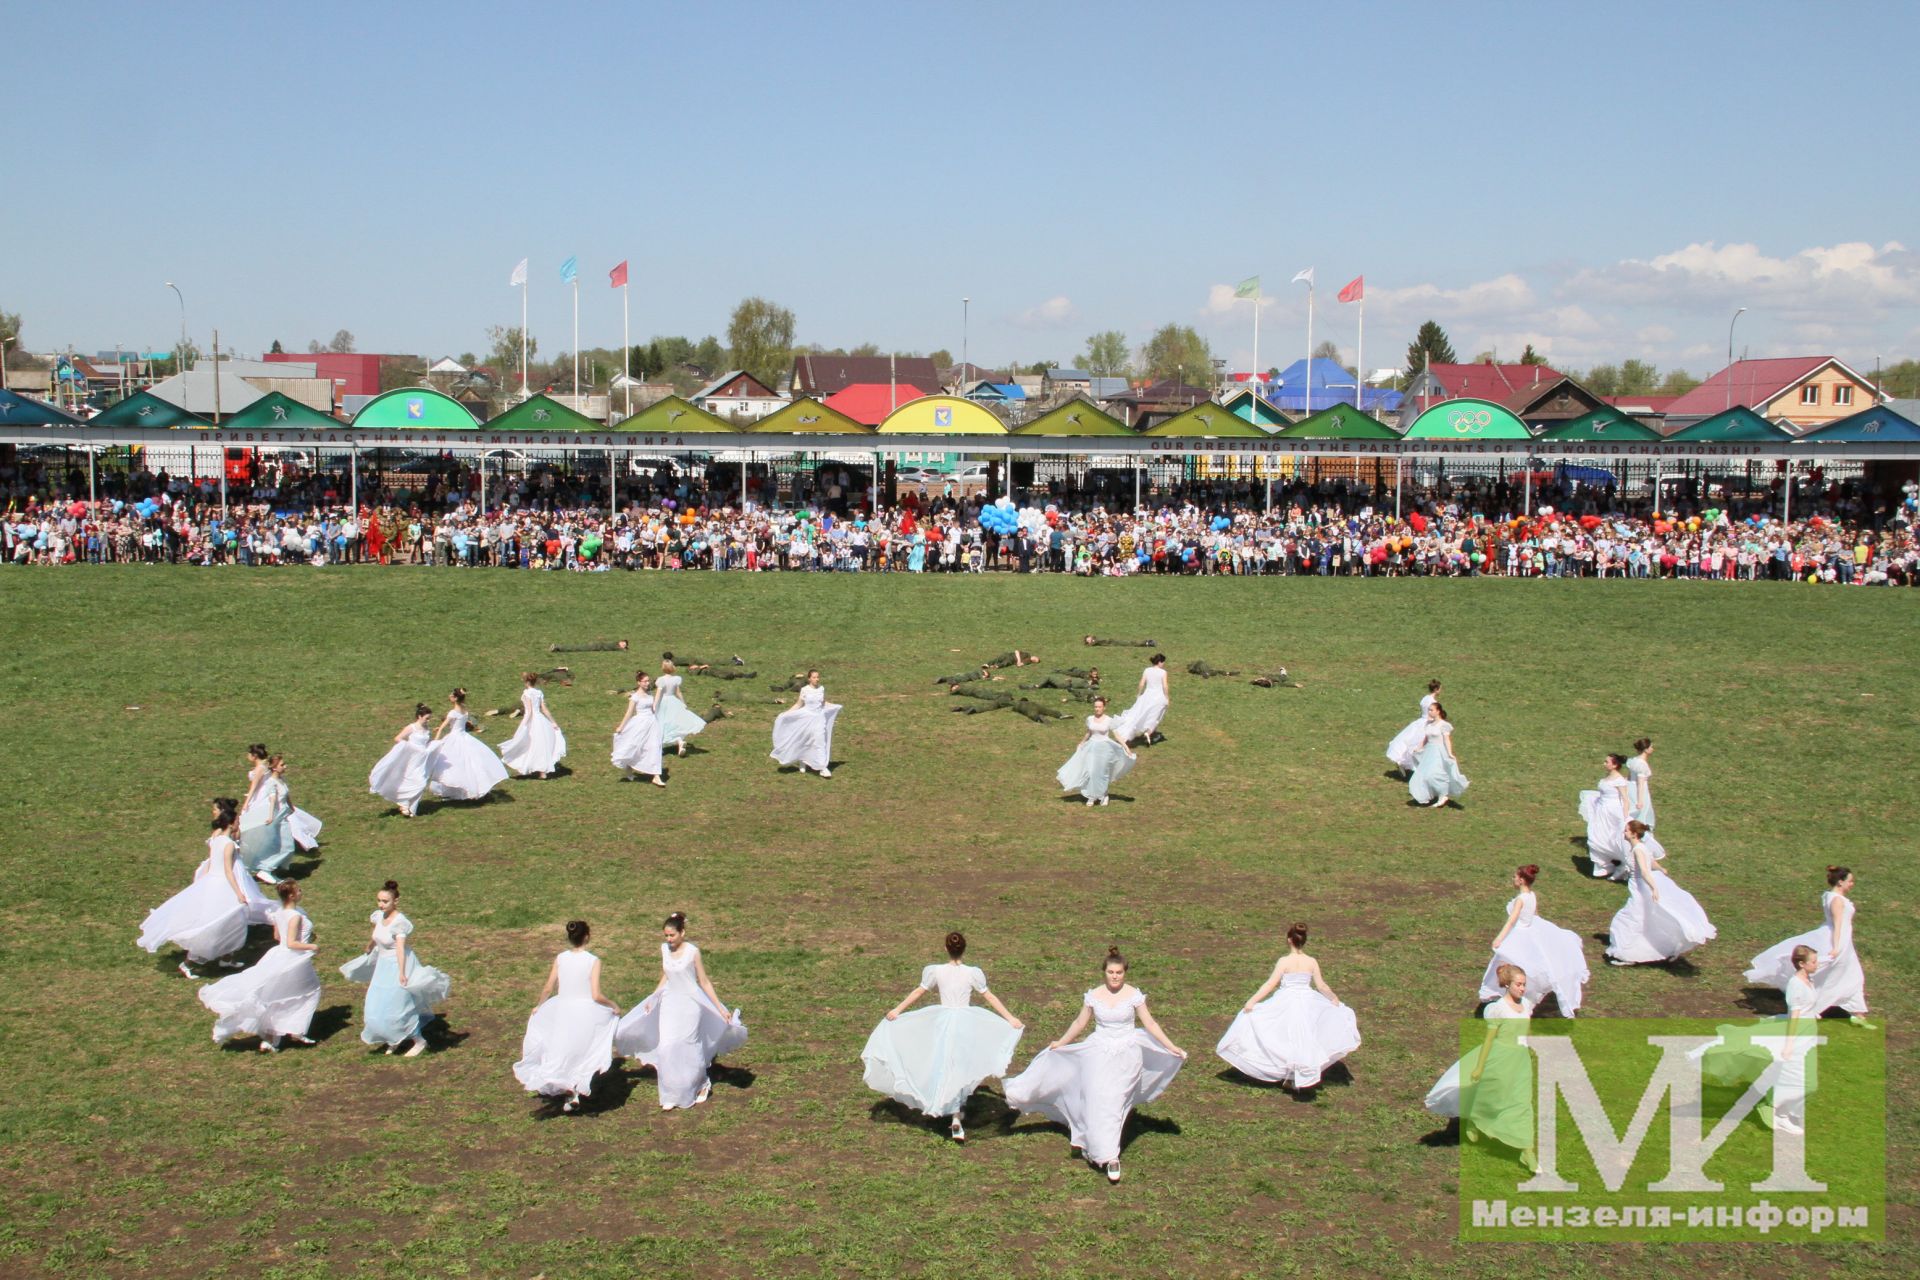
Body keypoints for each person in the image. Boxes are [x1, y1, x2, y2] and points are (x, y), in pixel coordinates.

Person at [1004, 946, 1186, 1184]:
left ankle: (1110, 1157)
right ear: (1104, 972)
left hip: (1127, 1056)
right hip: (1098, 1053)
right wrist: (1061, 1042)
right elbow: (1080, 1022)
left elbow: (1150, 1024)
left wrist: (1172, 1047)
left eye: (1119, 973)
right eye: (1111, 972)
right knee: (1097, 1099)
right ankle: (1097, 1144)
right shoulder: (1094, 995)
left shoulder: (1133, 995)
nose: (1115, 977)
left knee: (1114, 1102)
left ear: (1125, 973)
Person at [861, 931, 1025, 1141]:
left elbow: (918, 992)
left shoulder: (936, 971)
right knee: (959, 1066)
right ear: (964, 949)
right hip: (965, 1022)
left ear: (946, 949)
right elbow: (989, 996)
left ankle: (947, 1107)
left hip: (943, 1022)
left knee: (944, 1064)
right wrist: (1010, 1018)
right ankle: (956, 1116)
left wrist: (897, 1010)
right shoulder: (972, 973)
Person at [614, 912, 747, 1110]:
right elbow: (665, 976)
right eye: (666, 936)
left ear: (682, 933)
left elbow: (703, 981)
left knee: (688, 1045)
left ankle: (701, 1083)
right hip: (669, 1002)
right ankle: (670, 1094)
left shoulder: (693, 952)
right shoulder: (664, 950)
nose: (669, 940)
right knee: (667, 1046)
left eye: (672, 935)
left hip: (690, 1004)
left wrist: (719, 1007)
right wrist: (654, 997)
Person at [1694, 946, 1822, 1135]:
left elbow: (1805, 1007)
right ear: (1802, 964)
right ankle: (1774, 1107)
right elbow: (1794, 1016)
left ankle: (1780, 1111)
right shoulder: (1796, 984)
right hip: (1798, 1037)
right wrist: (1788, 1046)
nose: (1817, 965)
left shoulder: (1808, 979)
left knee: (1806, 1082)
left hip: (1808, 1034)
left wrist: (1813, 1014)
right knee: (1806, 1082)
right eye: (1813, 962)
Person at [1215, 923, 1361, 1090]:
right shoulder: (1311, 961)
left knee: (1286, 1035)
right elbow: (1321, 986)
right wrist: (1334, 999)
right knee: (1304, 1036)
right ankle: (1296, 1075)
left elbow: (1270, 983)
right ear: (1303, 941)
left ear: (1289, 940)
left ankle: (1288, 1073)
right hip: (1307, 1001)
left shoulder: (1284, 961)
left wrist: (1252, 1001)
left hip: (1286, 1001)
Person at [1423, 963, 1538, 1173]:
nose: (1522, 988)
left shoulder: (1528, 1005)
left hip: (1520, 1061)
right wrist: (1479, 1067)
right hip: (1500, 1058)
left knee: (1522, 1104)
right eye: (1519, 984)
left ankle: (1527, 1151)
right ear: (1507, 985)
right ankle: (1475, 1118)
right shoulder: (1498, 1009)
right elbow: (1489, 1041)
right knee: (1494, 1096)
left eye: (1524, 985)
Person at [138, 799, 272, 978]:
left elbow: (211, 864)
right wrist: (239, 893)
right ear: (231, 823)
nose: (238, 823)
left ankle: (227, 957)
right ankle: (189, 963)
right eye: (237, 821)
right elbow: (228, 871)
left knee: (230, 922)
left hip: (211, 882)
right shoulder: (229, 844)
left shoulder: (217, 839)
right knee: (218, 924)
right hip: (222, 886)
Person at [199, 880, 322, 1052]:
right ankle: (294, 1030)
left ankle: (274, 1039)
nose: (301, 892)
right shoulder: (295, 916)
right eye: (299, 890)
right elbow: (291, 943)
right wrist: (312, 946)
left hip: (279, 955)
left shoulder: (280, 913)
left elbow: (278, 937)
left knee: (279, 994)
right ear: (292, 895)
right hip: (294, 959)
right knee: (309, 991)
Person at [513, 920, 622, 1112]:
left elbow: (548, 987)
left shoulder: (561, 958)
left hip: (563, 1010)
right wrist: (613, 1005)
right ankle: (574, 1091)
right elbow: (596, 994)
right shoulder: (592, 961)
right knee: (582, 1051)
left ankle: (570, 1091)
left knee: (562, 1048)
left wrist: (539, 1006)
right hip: (584, 1012)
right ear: (587, 937)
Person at [1744, 866, 1874, 1026]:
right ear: (1840, 882)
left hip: (1843, 942)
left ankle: (1858, 1015)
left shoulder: (1830, 896)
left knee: (1852, 975)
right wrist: (1837, 947)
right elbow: (1838, 925)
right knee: (1844, 975)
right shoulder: (1837, 901)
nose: (1852, 884)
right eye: (1850, 881)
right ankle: (1816, 1008)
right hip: (1839, 941)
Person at [345, 880, 451, 1056]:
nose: (381, 904)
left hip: (398, 966)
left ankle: (418, 1040)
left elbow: (400, 949)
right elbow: (376, 934)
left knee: (398, 1007)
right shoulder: (379, 916)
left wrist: (402, 973)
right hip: (383, 967)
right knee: (377, 1005)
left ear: (396, 901)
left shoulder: (400, 923)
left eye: (385, 901)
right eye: (379, 900)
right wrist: (370, 945)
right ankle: (393, 1038)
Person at [1478, 866, 1588, 1017]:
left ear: (1521, 880)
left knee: (1508, 962)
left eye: (1515, 877)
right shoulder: (1532, 895)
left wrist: (1499, 938)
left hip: (1520, 935)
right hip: (1530, 930)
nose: (1513, 879)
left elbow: (1511, 921)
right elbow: (1535, 915)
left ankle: (1509, 994)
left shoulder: (1520, 900)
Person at [1606, 821, 1716, 965]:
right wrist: (1662, 869)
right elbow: (1651, 862)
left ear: (1634, 834)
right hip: (1639, 886)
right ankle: (1633, 948)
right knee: (1640, 917)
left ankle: (1627, 952)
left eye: (1626, 831)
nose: (1624, 833)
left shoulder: (1638, 850)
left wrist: (1654, 887)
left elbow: (1645, 871)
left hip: (1640, 888)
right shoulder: (1641, 848)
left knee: (1628, 918)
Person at [426, 688, 510, 802]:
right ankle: (460, 789)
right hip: (463, 736)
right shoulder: (464, 711)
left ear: (455, 698)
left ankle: (454, 790)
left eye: (451, 696)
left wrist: (436, 740)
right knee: (466, 763)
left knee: (450, 764)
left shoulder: (452, 713)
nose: (449, 697)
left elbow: (443, 727)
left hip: (454, 738)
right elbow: (458, 724)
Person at [1056, 695, 1137, 806]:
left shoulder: (1109, 720)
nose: (1097, 709)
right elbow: (1089, 733)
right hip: (1092, 747)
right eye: (1095, 707)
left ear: (1104, 707)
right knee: (1091, 771)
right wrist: (1082, 742)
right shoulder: (1090, 719)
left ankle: (1103, 795)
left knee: (1102, 773)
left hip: (1104, 749)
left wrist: (1126, 747)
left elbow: (1117, 736)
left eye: (1099, 707)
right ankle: (1091, 796)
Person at [368, 704, 434, 818]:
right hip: (411, 758)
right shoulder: (412, 727)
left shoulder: (427, 728)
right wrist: (411, 747)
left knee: (421, 783)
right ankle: (404, 804)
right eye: (426, 718)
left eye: (429, 718)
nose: (428, 720)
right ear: (419, 716)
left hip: (421, 760)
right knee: (411, 781)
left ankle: (411, 807)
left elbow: (427, 742)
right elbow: (397, 738)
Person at [770, 669, 840, 777]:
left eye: (818, 677)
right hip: (806, 718)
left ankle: (822, 767)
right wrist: (786, 713)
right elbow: (798, 704)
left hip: (819, 719)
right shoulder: (804, 690)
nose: (817, 679)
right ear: (809, 679)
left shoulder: (821, 689)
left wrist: (835, 706)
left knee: (820, 742)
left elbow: (823, 702)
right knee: (805, 740)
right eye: (814, 677)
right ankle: (803, 760)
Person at [240, 753, 297, 883]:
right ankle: (265, 869)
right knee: (287, 847)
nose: (285, 766)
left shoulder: (281, 780)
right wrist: (271, 816)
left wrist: (291, 807)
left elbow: (286, 796)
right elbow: (272, 800)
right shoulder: (271, 782)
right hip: (277, 817)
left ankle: (268, 869)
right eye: (282, 764)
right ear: (275, 767)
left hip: (283, 816)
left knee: (282, 846)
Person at [499, 671, 567, 779]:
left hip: (532, 720)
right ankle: (542, 771)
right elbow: (544, 709)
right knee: (540, 745)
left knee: (529, 743)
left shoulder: (526, 693)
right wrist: (553, 722)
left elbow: (529, 711)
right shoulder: (538, 692)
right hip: (541, 720)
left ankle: (530, 767)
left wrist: (523, 724)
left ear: (526, 681)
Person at [1579, 754, 1635, 879]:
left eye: (1607, 762)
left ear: (1615, 765)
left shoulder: (1619, 780)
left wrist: (1625, 817)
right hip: (1601, 811)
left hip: (1613, 812)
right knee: (1598, 836)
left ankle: (1624, 865)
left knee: (1614, 837)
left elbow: (1626, 800)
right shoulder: (1608, 777)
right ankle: (1604, 865)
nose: (1604, 764)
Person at [1406, 702, 1468, 808]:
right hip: (1429, 752)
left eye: (1431, 710)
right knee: (1424, 775)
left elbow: (1447, 740)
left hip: (1438, 752)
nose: (1429, 712)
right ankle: (1436, 794)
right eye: (1429, 710)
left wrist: (1449, 753)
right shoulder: (1429, 724)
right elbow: (1426, 739)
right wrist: (1418, 748)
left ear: (1438, 711)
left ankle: (1443, 795)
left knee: (1434, 775)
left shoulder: (1443, 725)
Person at [611, 671, 668, 786]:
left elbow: (654, 708)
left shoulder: (649, 695)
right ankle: (628, 768)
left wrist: (660, 691)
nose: (648, 683)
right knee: (635, 746)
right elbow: (629, 713)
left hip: (652, 724)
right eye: (645, 681)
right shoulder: (635, 697)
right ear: (639, 682)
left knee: (655, 747)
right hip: (640, 724)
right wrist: (621, 727)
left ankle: (656, 776)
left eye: (648, 681)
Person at [1113, 654, 1171, 747]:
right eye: (1163, 662)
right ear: (1160, 662)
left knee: (1141, 714)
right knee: (1155, 716)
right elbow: (1165, 686)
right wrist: (1167, 697)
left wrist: (1139, 694)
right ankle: (1149, 732)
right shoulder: (1163, 672)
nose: (1163, 664)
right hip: (1158, 697)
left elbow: (1141, 683)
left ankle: (1147, 732)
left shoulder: (1147, 670)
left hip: (1147, 696)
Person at [1386, 681, 1441, 777]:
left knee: (1408, 741)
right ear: (1436, 689)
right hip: (1427, 724)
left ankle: (1402, 761)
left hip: (1419, 722)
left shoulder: (1424, 699)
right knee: (1420, 746)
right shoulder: (1434, 703)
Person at [654, 658, 707, 758]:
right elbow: (678, 692)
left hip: (664, 702)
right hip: (674, 701)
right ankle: (679, 741)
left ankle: (659, 747)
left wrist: (654, 705)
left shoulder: (661, 680)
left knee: (662, 722)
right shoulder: (676, 679)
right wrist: (683, 703)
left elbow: (658, 694)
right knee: (674, 722)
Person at [1625, 737, 1656, 828]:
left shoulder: (1634, 760)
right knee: (1642, 815)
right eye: (1651, 747)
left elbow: (1629, 777)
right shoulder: (1642, 764)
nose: (1652, 749)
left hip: (1631, 790)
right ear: (1646, 750)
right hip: (1640, 793)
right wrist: (1640, 801)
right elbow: (1640, 784)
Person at [549, 639, 629, 652]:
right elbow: (618, 649)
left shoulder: (615, 645)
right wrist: (624, 649)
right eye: (623, 644)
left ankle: (557, 648)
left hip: (594, 646)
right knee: (576, 648)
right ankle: (557, 647)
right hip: (594, 647)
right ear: (620, 641)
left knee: (576, 648)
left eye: (624, 646)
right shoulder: (615, 645)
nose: (623, 646)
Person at [1083, 635, 1156, 648]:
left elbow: (1094, 638)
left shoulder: (1095, 639)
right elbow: (1092, 644)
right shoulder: (1094, 642)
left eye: (1088, 638)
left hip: (1113, 641)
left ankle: (1146, 642)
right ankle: (1147, 643)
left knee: (1131, 643)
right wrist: (1090, 642)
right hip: (1114, 643)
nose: (1089, 640)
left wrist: (1092, 639)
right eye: (1088, 640)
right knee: (1131, 643)